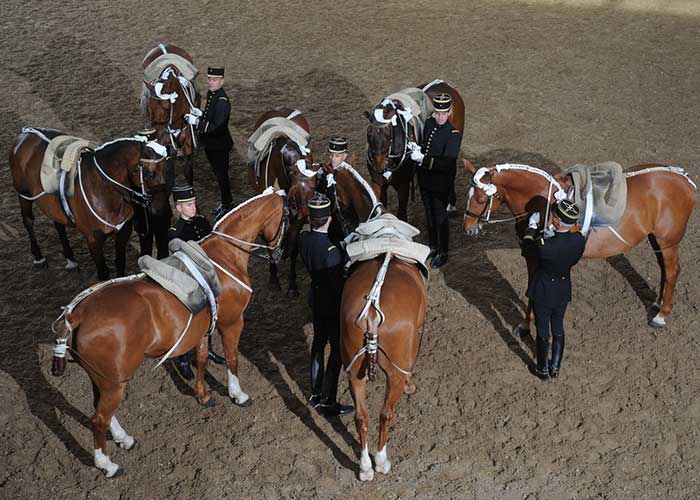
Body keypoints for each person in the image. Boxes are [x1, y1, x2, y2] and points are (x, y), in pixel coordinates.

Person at [299, 194, 354, 418]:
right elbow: (339, 287)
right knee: (337, 352)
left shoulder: (304, 240)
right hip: (332, 305)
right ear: (329, 219)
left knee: (318, 344)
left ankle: (315, 393)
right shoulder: (332, 254)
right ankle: (328, 400)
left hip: (316, 298)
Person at [520, 199, 586, 381]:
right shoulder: (579, 240)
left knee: (542, 330)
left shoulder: (544, 245)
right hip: (563, 289)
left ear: (556, 221)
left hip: (543, 290)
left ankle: (542, 369)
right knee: (558, 328)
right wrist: (553, 236)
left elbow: (526, 248)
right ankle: (555, 367)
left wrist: (532, 229)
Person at [167, 184, 226, 380]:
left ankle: (207, 348)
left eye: (194, 203)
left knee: (210, 314)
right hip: (189, 281)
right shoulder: (175, 232)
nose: (194, 207)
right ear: (179, 208)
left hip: (207, 277)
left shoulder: (201, 222)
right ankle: (182, 357)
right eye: (189, 205)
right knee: (186, 320)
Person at [409, 93, 462, 268]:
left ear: (449, 112)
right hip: (425, 180)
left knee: (440, 217)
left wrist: (423, 159)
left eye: (443, 114)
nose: (439, 117)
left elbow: (447, 163)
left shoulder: (453, 134)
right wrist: (417, 148)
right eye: (437, 113)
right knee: (429, 214)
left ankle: (443, 251)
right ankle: (433, 245)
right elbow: (426, 145)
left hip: (440, 184)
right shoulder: (430, 124)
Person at [185, 66, 234, 220]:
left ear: (222, 81)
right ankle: (225, 203)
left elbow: (216, 127)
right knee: (219, 175)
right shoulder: (213, 94)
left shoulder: (222, 101)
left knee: (222, 176)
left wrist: (197, 123)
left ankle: (228, 205)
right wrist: (200, 115)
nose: (210, 83)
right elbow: (210, 116)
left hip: (219, 146)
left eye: (214, 80)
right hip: (212, 145)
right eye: (209, 79)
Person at [132, 127, 173, 259]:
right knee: (147, 248)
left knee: (162, 245)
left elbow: (169, 184)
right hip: (144, 214)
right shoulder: (137, 163)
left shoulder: (164, 160)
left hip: (157, 210)